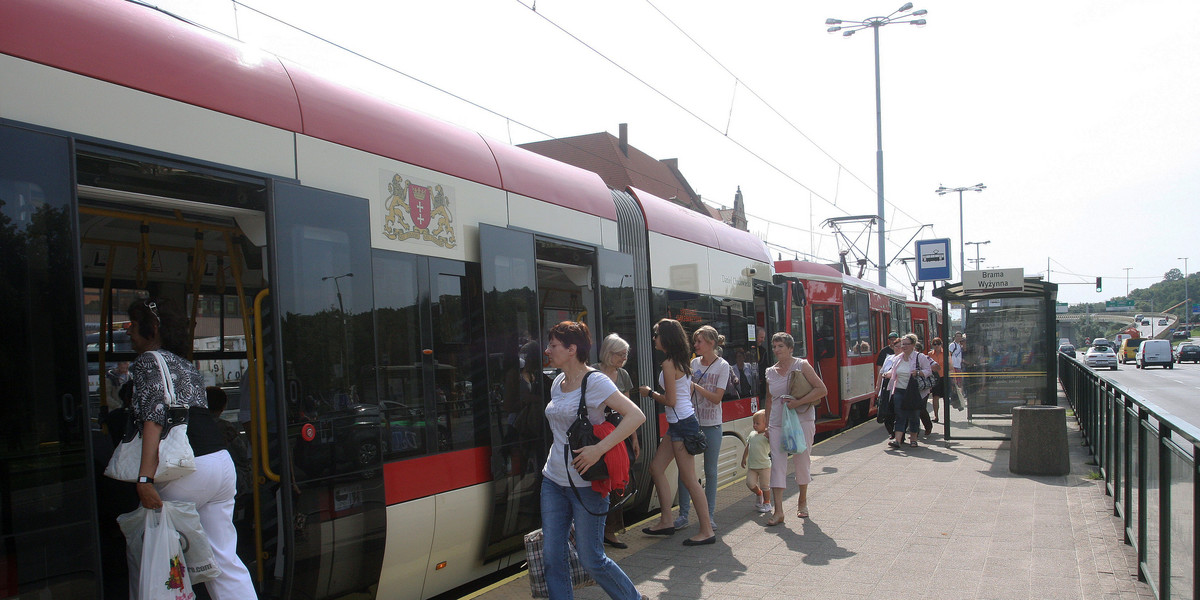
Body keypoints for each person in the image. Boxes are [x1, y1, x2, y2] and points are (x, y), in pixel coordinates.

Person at [125, 298, 257, 599]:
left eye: (133, 323)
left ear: (153, 328)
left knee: (154, 557)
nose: (129, 331)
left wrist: (144, 479)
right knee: (224, 559)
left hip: (187, 468)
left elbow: (155, 417)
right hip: (220, 465)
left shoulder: (148, 360)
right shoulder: (185, 363)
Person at [540, 321, 646, 600]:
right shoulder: (557, 383)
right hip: (553, 480)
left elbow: (636, 415)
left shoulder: (596, 381)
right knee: (552, 557)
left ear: (572, 349)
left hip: (587, 486)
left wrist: (599, 449)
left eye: (553, 345)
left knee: (591, 559)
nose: (547, 350)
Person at [638, 319, 716, 545]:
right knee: (656, 468)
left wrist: (649, 393)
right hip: (680, 423)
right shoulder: (681, 361)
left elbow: (671, 400)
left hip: (681, 423)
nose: (654, 339)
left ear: (667, 338)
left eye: (656, 335)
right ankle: (666, 520)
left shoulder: (669, 364)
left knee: (690, 479)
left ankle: (707, 531)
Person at [763, 332, 827, 526]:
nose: (776, 350)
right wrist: (766, 424)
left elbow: (821, 389)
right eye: (774, 346)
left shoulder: (801, 365)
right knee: (777, 465)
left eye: (780, 346)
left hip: (802, 420)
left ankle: (802, 501)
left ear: (791, 348)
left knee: (802, 460)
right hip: (777, 422)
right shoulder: (769, 372)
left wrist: (798, 402)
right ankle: (779, 511)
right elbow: (769, 399)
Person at [675, 325, 730, 531]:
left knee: (710, 471)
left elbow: (717, 398)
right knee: (686, 471)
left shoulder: (723, 366)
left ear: (711, 344)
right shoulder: (693, 363)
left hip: (712, 424)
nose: (695, 345)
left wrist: (696, 387)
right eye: (695, 341)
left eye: (699, 341)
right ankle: (683, 515)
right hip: (691, 422)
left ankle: (709, 516)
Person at [591, 333, 640, 550]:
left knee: (618, 480)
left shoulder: (623, 376)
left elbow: (629, 410)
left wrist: (634, 438)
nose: (624, 358)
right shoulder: (592, 372)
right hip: (596, 434)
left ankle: (611, 530)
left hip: (618, 434)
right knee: (597, 479)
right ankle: (595, 530)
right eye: (621, 354)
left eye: (625, 354)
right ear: (608, 354)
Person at [887, 333, 934, 450]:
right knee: (900, 415)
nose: (904, 347)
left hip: (914, 391)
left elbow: (928, 371)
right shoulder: (898, 359)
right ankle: (897, 440)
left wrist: (918, 373)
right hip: (899, 390)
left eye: (907, 344)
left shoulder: (920, 357)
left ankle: (913, 439)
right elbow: (893, 373)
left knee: (914, 415)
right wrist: (885, 375)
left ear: (913, 345)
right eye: (903, 344)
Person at [739, 409, 772, 513]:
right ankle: (758, 493)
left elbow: (773, 444)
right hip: (752, 466)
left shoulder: (766, 436)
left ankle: (767, 503)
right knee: (750, 483)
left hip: (764, 466)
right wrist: (744, 458)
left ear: (765, 424)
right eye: (754, 423)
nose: (755, 425)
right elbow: (748, 447)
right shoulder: (752, 434)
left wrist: (770, 433)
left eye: (758, 423)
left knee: (765, 486)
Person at [875, 336, 902, 439]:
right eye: (896, 346)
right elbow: (881, 372)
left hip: (899, 389)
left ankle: (899, 436)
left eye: (900, 346)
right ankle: (891, 432)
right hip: (887, 389)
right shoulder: (889, 358)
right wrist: (878, 386)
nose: (897, 348)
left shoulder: (905, 359)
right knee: (886, 413)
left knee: (898, 413)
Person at [926, 337, 946, 423]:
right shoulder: (930, 354)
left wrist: (953, 379)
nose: (936, 346)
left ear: (941, 344)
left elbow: (950, 365)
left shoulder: (946, 353)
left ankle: (946, 416)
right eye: (934, 344)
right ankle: (936, 416)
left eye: (938, 344)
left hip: (944, 377)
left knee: (946, 398)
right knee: (935, 397)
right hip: (935, 378)